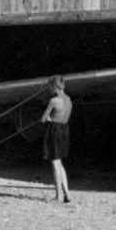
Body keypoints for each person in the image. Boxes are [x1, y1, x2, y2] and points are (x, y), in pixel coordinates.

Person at [41, 74, 73, 203]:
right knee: (59, 163)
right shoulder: (69, 100)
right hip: (65, 129)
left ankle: (58, 196)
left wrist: (49, 118)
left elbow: (43, 119)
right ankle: (67, 194)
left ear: (54, 86)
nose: (49, 89)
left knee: (55, 163)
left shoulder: (54, 101)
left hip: (55, 130)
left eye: (50, 86)